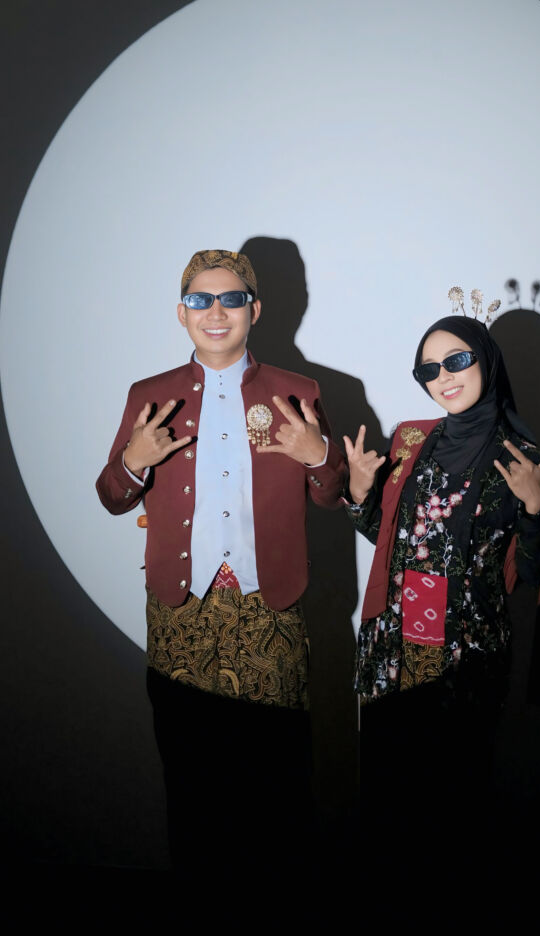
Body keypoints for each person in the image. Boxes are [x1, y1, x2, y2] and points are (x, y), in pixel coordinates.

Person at [96, 249, 347, 867]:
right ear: (182, 312)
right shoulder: (150, 395)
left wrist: (318, 456)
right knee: (192, 781)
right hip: (182, 615)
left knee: (278, 782)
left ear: (254, 310)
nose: (216, 311)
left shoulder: (298, 391)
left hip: (271, 612)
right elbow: (111, 496)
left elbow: (332, 493)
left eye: (231, 299)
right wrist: (133, 462)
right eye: (200, 299)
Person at [343, 311, 540, 831]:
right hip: (392, 649)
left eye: (457, 360)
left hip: (464, 654)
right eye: (429, 370)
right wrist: (358, 494)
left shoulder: (525, 459)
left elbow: (531, 573)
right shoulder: (410, 441)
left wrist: (536, 510)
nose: (443, 377)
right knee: (387, 799)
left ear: (486, 360)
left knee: (454, 802)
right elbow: (393, 539)